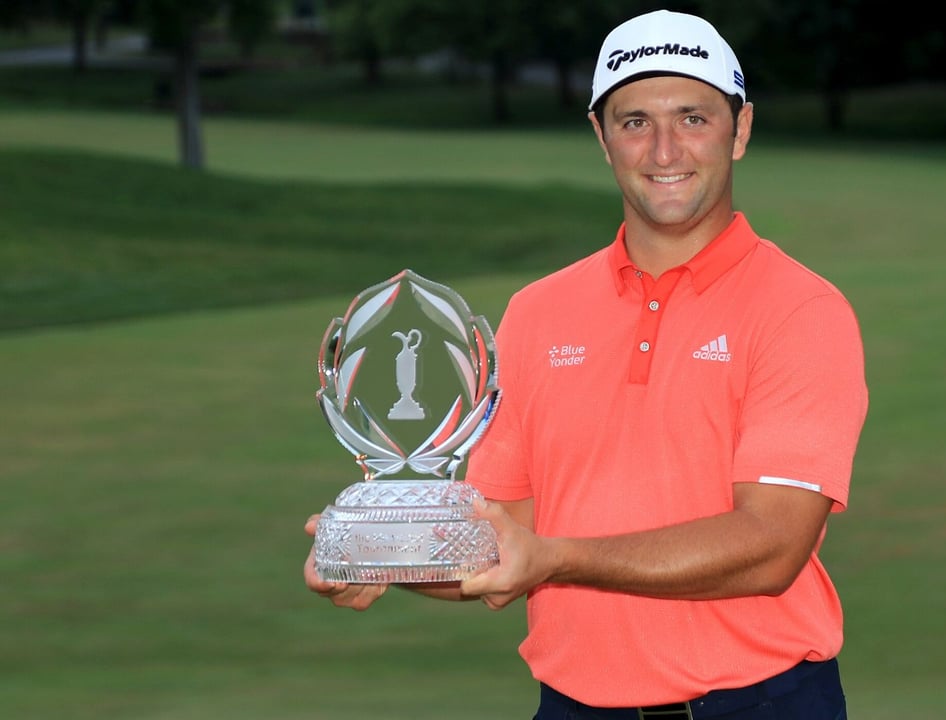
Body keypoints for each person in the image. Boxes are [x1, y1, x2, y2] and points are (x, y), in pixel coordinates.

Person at [304, 9, 868, 719]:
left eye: (693, 117)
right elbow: (500, 539)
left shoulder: (800, 309)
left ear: (741, 128)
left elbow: (771, 545)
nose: (665, 150)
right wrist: (375, 553)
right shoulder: (539, 311)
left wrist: (558, 559)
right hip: (572, 707)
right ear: (601, 138)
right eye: (634, 122)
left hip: (761, 705)